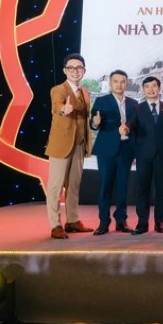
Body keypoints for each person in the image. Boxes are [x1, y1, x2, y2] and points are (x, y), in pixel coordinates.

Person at [45, 53, 94, 239]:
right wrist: (63, 109)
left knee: (74, 185)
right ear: (65, 70)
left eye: (79, 68)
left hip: (79, 144)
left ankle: (72, 220)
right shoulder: (58, 90)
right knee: (55, 187)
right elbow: (57, 106)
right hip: (61, 144)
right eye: (71, 68)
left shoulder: (85, 92)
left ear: (84, 71)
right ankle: (55, 224)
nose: (75, 71)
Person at [89, 69, 138, 235]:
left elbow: (136, 128)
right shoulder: (101, 101)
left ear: (126, 83)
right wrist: (95, 123)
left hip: (126, 150)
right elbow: (93, 124)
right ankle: (104, 222)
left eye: (122, 81)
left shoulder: (133, 103)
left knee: (122, 187)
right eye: (116, 81)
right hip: (106, 150)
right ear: (110, 83)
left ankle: (121, 221)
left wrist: (135, 152)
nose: (119, 84)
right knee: (105, 186)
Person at [127, 76, 163, 234]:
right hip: (143, 155)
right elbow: (131, 126)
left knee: (161, 189)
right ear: (143, 89)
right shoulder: (137, 108)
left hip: (162, 155)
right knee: (142, 189)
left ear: (159, 88)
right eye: (147, 86)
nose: (151, 89)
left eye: (154, 86)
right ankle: (142, 222)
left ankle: (160, 222)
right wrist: (126, 128)